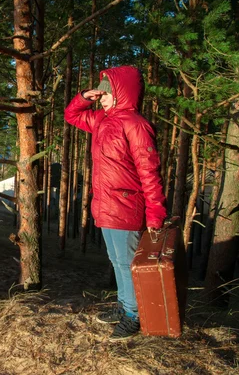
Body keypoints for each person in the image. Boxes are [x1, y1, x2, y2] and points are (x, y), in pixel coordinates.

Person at [64, 65, 166, 342]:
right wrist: (84, 96)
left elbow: (149, 172)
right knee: (117, 261)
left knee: (126, 263)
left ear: (121, 93)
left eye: (108, 91)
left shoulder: (136, 124)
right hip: (106, 205)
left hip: (126, 205)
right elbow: (71, 115)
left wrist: (155, 211)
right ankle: (124, 307)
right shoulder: (102, 120)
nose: (103, 96)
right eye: (102, 91)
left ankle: (134, 316)